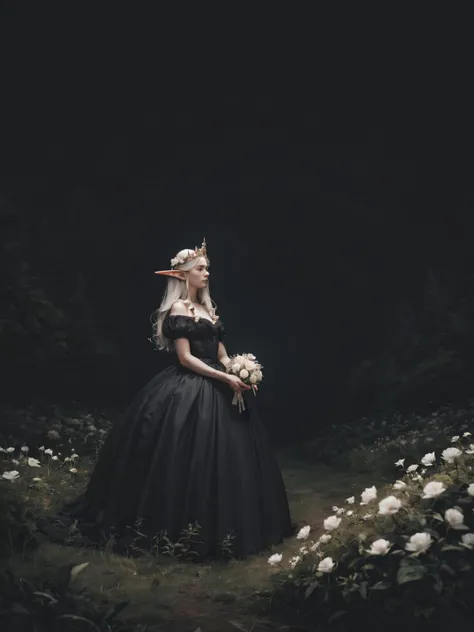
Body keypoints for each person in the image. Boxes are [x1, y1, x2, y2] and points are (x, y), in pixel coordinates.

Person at [40, 239, 294, 560]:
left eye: (207, 269)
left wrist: (239, 374)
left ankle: (231, 529)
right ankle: (178, 529)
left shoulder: (209, 310)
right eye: (200, 269)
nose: (206, 274)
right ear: (184, 275)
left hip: (220, 384)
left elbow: (221, 353)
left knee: (232, 458)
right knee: (183, 455)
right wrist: (223, 377)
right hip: (189, 387)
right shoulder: (178, 310)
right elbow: (186, 359)